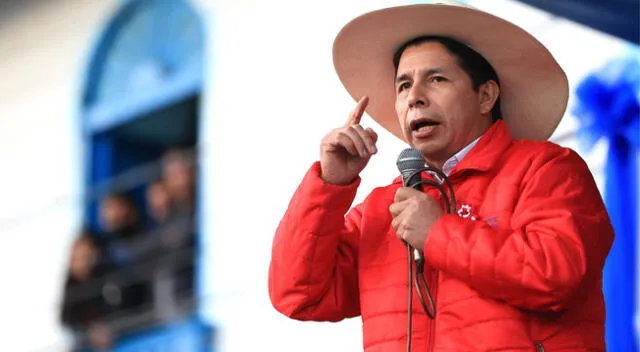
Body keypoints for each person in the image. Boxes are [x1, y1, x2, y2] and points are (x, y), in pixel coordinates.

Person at [268, 2, 614, 351]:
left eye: (436, 79)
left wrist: (438, 234)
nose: (414, 98)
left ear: (485, 96)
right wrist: (329, 185)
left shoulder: (547, 168)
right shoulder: (383, 206)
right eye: (403, 86)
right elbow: (298, 295)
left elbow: (557, 276)